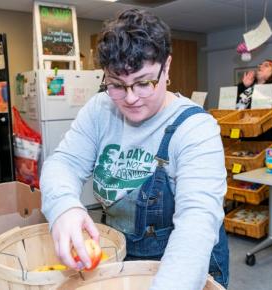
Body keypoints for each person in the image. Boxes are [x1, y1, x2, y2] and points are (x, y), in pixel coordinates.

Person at [40, 9, 229, 290]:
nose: (130, 98)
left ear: (167, 67)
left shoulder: (196, 129)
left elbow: (196, 225)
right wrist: (64, 207)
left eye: (143, 83)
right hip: (122, 256)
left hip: (184, 267)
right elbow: (64, 162)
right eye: (116, 84)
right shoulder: (99, 109)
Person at [236, 59, 272, 146]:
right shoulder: (249, 89)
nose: (260, 66)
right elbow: (235, 109)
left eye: (266, 65)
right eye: (260, 65)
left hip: (269, 145)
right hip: (246, 142)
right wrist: (243, 86)